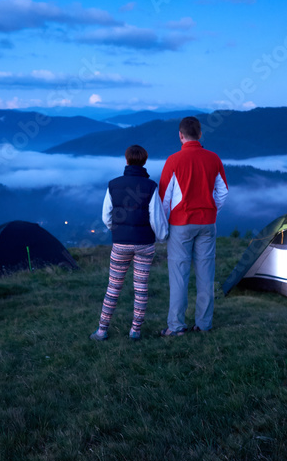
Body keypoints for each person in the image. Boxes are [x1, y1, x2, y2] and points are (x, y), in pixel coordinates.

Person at [91, 144, 168, 341]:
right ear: (145, 161)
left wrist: (116, 230)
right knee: (141, 288)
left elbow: (106, 216)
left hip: (120, 244)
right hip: (145, 245)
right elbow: (156, 219)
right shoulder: (151, 186)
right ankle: (135, 331)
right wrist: (160, 237)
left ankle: (102, 330)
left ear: (126, 160)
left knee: (113, 286)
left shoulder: (113, 184)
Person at [159, 116, 228, 336]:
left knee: (179, 276)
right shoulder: (213, 158)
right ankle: (204, 324)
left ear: (180, 135)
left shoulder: (173, 160)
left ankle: (177, 326)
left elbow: (164, 199)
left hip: (181, 223)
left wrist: (165, 225)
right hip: (207, 223)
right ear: (200, 134)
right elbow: (223, 192)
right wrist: (210, 209)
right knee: (206, 275)